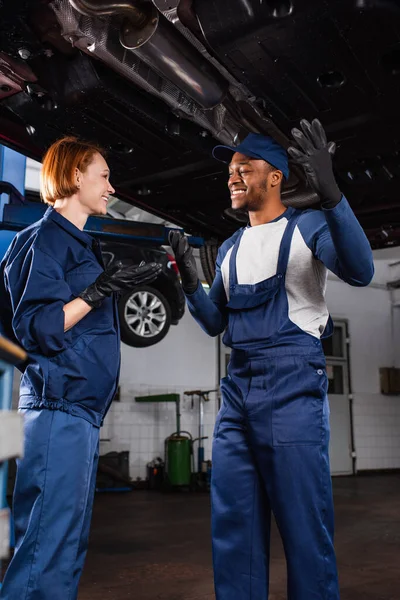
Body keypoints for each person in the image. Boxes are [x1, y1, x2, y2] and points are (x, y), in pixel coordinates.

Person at [169, 119, 374, 600]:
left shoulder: (309, 227)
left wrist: (332, 195)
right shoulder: (232, 248)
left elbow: (363, 272)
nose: (233, 176)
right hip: (238, 388)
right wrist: (185, 283)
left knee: (304, 528)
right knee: (234, 523)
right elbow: (216, 322)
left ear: (276, 177)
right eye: (231, 170)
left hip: (292, 385)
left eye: (245, 167)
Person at [0, 137, 161, 600]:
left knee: (65, 546)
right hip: (56, 410)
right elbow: (36, 327)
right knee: (45, 551)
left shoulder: (78, 246)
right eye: (104, 175)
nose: (112, 187)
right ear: (75, 176)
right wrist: (96, 291)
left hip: (79, 414)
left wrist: (99, 284)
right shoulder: (44, 239)